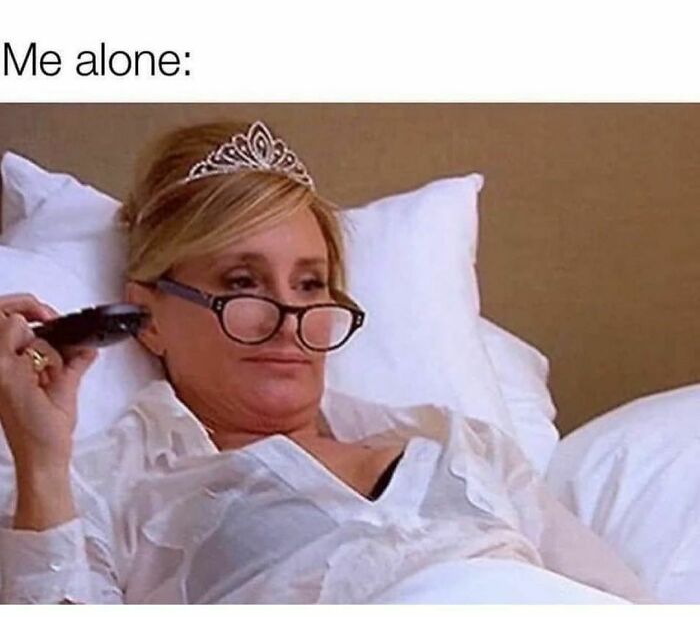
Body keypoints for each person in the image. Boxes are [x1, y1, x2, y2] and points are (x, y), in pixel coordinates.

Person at [0, 121, 652, 604]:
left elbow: (620, 599)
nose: (289, 319)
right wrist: (40, 459)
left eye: (311, 285)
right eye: (242, 283)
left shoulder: (464, 442)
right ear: (150, 316)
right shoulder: (108, 486)